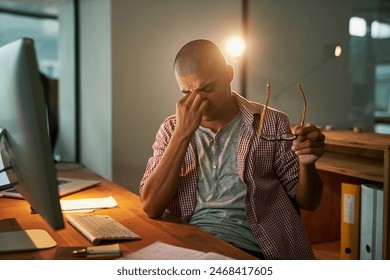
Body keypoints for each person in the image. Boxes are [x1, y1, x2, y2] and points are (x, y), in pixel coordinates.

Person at [139, 39, 325, 260]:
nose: (199, 101)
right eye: (186, 93)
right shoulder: (171, 129)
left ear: (229, 74)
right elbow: (151, 206)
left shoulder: (271, 122)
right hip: (191, 245)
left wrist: (307, 164)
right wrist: (182, 134)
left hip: (256, 248)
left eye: (206, 88)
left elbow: (310, 202)